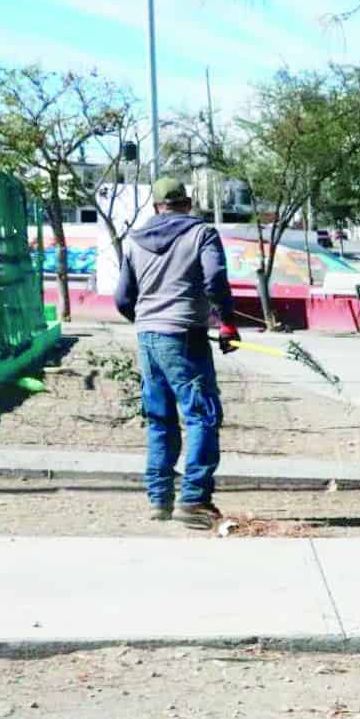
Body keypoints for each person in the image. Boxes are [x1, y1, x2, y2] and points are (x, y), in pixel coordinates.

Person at [113, 177, 239, 528]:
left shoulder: (134, 241)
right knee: (202, 415)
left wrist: (148, 320)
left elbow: (123, 298)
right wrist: (227, 322)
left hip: (148, 337)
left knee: (160, 418)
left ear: (156, 207)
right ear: (187, 203)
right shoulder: (202, 233)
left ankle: (159, 498)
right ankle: (195, 499)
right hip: (185, 335)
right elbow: (215, 280)